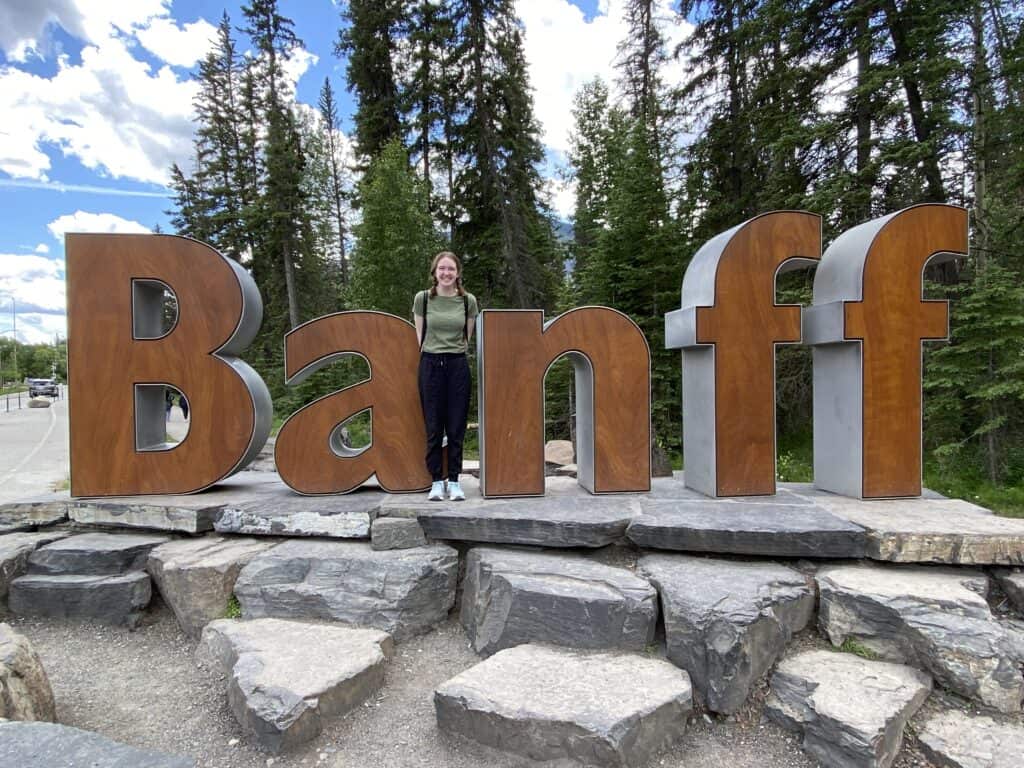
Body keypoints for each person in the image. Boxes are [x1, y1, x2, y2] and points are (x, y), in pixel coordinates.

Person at [413, 251, 479, 501]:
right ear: (434, 272)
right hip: (430, 364)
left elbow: (466, 336)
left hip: (457, 365)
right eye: (442, 268)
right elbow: (420, 335)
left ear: (458, 273)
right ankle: (436, 482)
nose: (446, 273)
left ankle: (454, 481)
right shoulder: (423, 299)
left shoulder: (467, 301)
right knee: (433, 426)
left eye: (451, 269)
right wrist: (434, 352)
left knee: (456, 426)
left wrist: (451, 353)